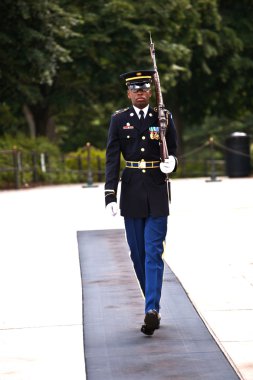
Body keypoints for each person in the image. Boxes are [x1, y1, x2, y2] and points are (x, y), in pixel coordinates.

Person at [104, 70, 178, 336]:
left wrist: (173, 163)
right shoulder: (119, 120)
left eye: (144, 89)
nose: (140, 93)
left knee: (153, 251)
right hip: (132, 191)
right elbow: (112, 158)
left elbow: (175, 150)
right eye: (135, 90)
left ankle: (151, 310)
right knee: (137, 254)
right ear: (128, 93)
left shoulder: (164, 117)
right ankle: (153, 303)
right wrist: (110, 194)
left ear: (150, 91)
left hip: (157, 191)